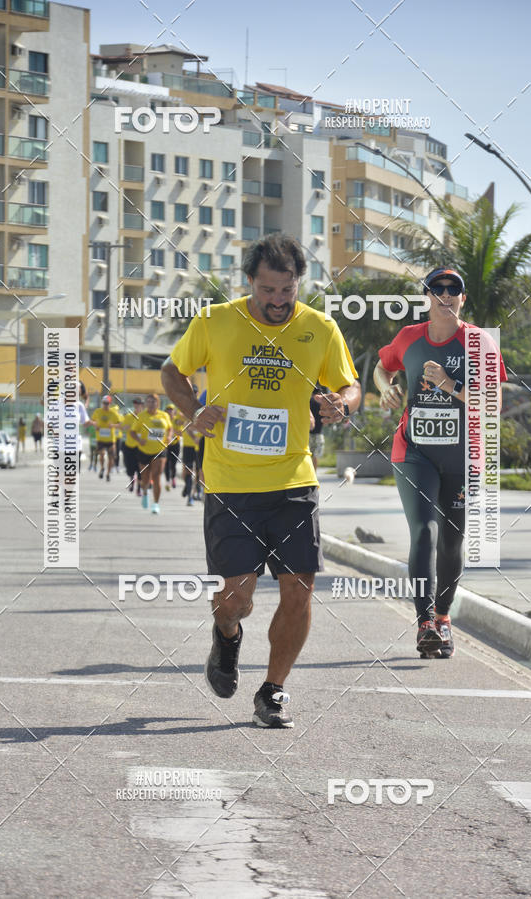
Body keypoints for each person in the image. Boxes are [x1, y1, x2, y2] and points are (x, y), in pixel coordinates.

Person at [162, 233, 360, 728]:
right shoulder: (216, 321)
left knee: (299, 591)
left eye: (286, 289)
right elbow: (172, 371)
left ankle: (273, 691)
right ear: (250, 282)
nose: (277, 300)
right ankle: (226, 635)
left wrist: (342, 404)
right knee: (237, 599)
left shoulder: (320, 328)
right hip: (230, 485)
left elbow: (349, 385)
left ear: (298, 283)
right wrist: (194, 412)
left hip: (294, 481)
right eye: (268, 290)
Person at [374, 267, 507, 659]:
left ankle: (444, 618)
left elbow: (492, 407)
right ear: (427, 297)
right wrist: (387, 389)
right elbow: (383, 367)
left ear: (462, 299)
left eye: (454, 289)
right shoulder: (409, 337)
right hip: (415, 453)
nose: (445, 295)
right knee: (425, 532)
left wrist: (449, 384)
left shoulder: (479, 342)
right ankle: (425, 623)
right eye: (437, 289)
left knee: (452, 541)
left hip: (465, 457)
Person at [130, 393, 172, 514]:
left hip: (160, 450)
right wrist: (139, 440)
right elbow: (132, 432)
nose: (151, 404)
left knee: (156, 476)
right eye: (148, 401)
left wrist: (169, 436)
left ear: (157, 403)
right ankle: (145, 493)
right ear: (146, 404)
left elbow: (169, 428)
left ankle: (156, 504)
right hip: (144, 450)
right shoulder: (141, 416)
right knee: (145, 478)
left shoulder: (164, 415)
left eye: (153, 401)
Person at [90, 396, 122, 481]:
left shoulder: (113, 413)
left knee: (111, 457)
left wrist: (113, 426)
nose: (105, 405)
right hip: (100, 439)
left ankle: (108, 473)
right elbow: (92, 421)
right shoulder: (98, 411)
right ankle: (102, 468)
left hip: (111, 439)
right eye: (104, 403)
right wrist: (95, 424)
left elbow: (120, 424)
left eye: (107, 403)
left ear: (110, 404)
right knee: (102, 454)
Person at [121, 397, 144, 494]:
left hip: (141, 447)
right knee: (130, 467)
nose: (136, 405)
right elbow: (123, 427)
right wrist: (128, 427)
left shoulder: (144, 417)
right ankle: (132, 481)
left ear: (142, 405)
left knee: (140, 468)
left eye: (138, 404)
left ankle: (139, 487)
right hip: (129, 446)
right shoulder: (129, 417)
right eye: (135, 403)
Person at [309, 387, 326, 471]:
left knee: (307, 455)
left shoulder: (308, 402)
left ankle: (307, 474)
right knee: (316, 456)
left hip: (308, 433)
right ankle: (314, 474)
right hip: (319, 433)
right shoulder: (322, 404)